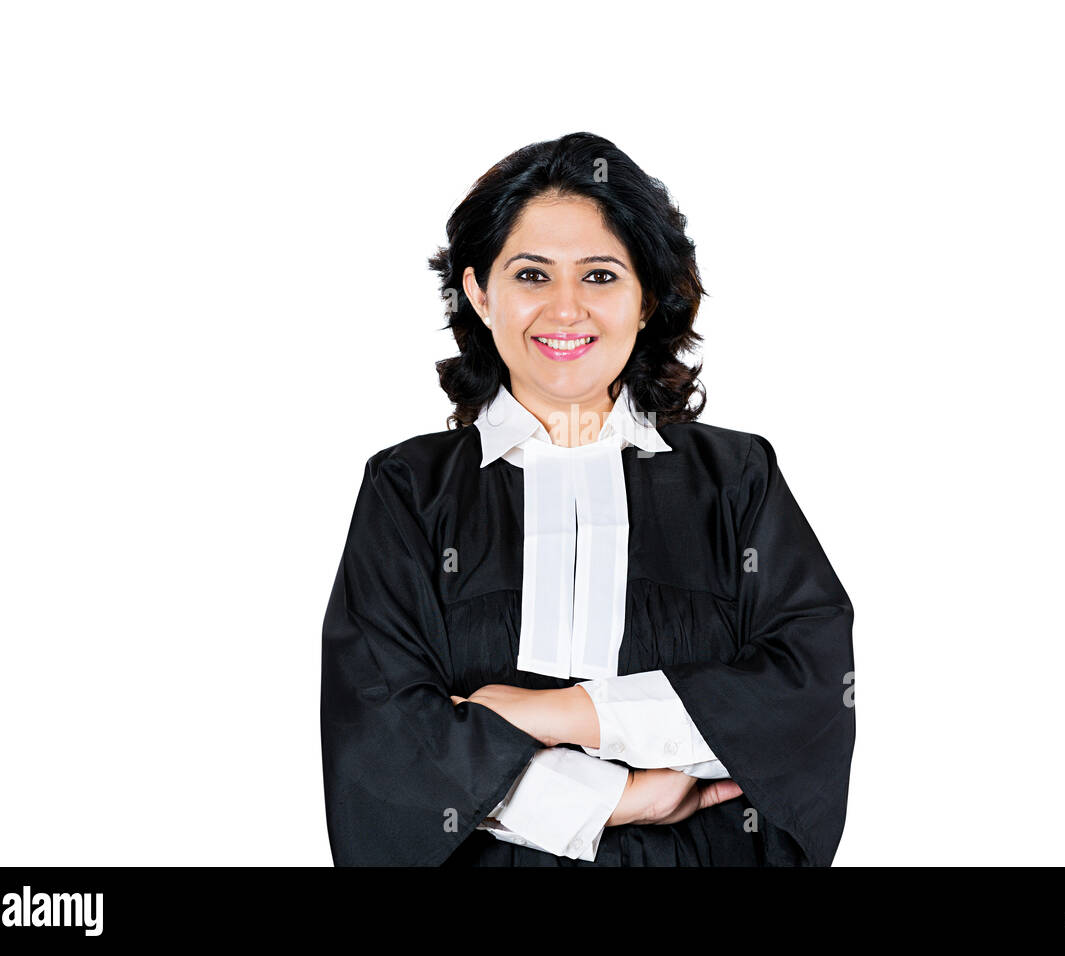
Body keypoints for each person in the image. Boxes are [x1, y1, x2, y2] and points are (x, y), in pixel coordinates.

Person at [320, 131, 855, 866]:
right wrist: (618, 799)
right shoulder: (409, 490)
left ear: (649, 299)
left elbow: (804, 699)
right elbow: (382, 735)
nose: (565, 310)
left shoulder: (735, 478)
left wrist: (553, 714)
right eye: (532, 276)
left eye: (600, 276)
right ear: (480, 293)